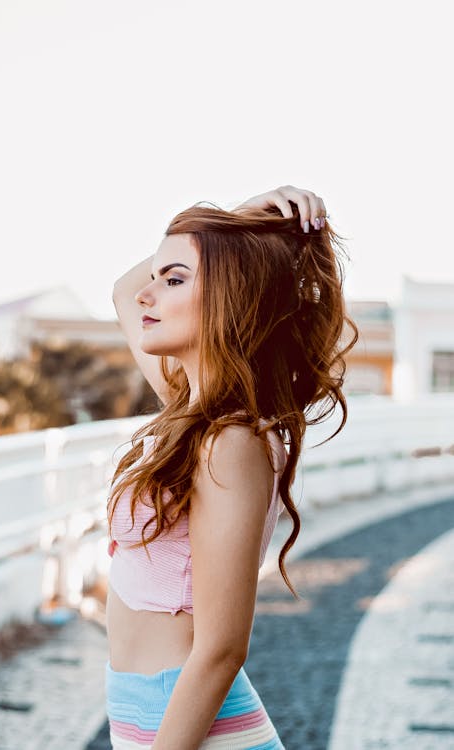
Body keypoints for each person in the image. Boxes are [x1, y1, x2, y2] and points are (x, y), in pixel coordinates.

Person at [106, 184, 358, 749]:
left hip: (193, 724)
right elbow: (124, 292)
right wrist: (238, 220)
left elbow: (222, 648)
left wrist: (230, 240)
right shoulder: (190, 410)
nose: (149, 295)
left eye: (173, 280)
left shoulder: (231, 440)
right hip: (142, 706)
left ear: (229, 297)